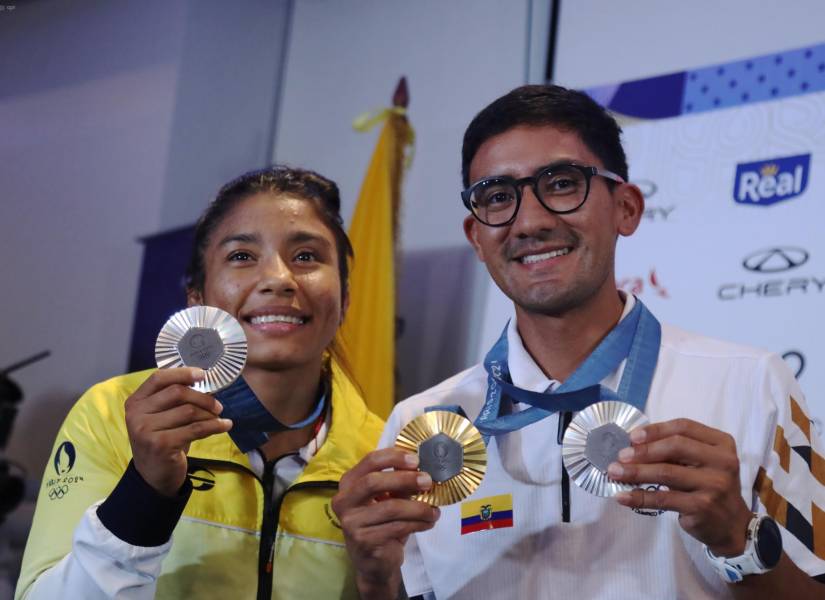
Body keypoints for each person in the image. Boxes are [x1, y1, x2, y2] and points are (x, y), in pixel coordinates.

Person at [332, 85, 825, 599]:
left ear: (626, 208)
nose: (531, 221)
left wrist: (735, 538)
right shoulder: (421, 423)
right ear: (477, 236)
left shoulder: (750, 384)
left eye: (562, 184)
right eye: (499, 197)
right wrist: (374, 578)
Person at [16, 166, 384, 599]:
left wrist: (382, 583)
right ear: (198, 297)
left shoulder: (383, 452)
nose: (279, 279)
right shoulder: (113, 413)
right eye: (242, 256)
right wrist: (145, 492)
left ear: (344, 298)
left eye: (306, 256)